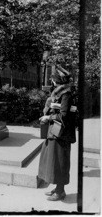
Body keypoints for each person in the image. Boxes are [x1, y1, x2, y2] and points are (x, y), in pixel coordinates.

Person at [37, 66, 76, 201]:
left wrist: (48, 118)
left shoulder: (66, 94)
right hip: (56, 131)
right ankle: (57, 188)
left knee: (60, 161)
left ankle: (60, 191)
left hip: (62, 134)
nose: (52, 81)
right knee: (54, 161)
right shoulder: (60, 92)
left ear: (57, 81)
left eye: (53, 79)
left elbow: (64, 115)